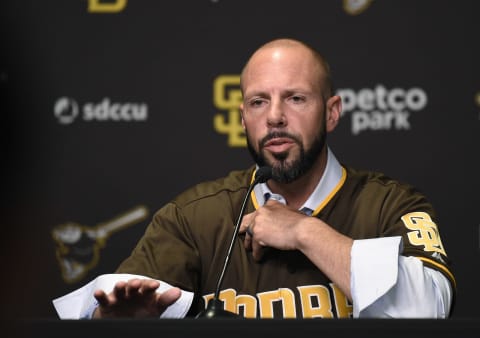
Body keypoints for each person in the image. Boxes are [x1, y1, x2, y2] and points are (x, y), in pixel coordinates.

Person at [54, 38, 455, 319]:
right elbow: (109, 307)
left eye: (296, 98)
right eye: (259, 102)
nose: (275, 116)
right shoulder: (194, 218)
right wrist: (116, 322)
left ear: (332, 112)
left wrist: (304, 231)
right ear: (243, 116)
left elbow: (429, 311)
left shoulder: (389, 204)